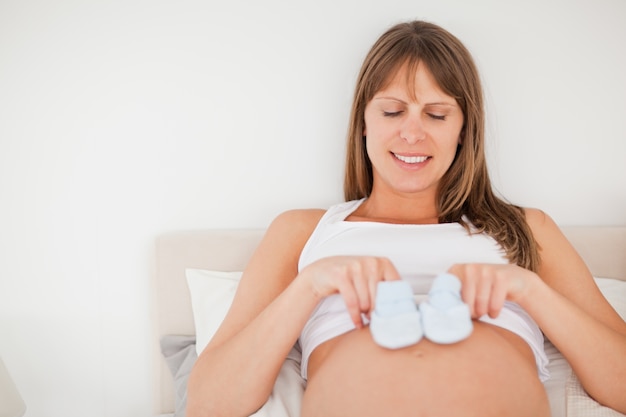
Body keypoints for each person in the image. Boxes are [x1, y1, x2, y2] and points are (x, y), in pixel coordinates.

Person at [187, 20, 626, 417]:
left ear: (463, 129)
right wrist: (312, 285)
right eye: (393, 111)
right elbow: (209, 405)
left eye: (436, 115)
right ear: (362, 120)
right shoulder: (303, 233)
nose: (412, 133)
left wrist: (529, 290)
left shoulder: (527, 230)